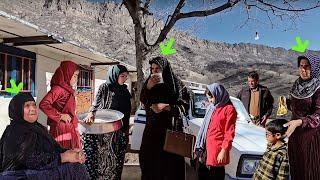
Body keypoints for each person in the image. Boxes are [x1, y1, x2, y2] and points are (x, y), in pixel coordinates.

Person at [0, 92, 89, 179]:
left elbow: (55, 149)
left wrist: (73, 154)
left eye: (34, 105)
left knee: (76, 166)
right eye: (27, 106)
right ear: (17, 110)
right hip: (18, 175)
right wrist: (62, 157)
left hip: (37, 172)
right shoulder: (15, 131)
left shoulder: (38, 129)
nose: (32, 108)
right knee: (74, 169)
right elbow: (30, 160)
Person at [139, 56, 190, 180]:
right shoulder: (149, 83)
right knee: (150, 165)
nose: (155, 72)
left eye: (158, 69)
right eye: (152, 69)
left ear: (165, 69)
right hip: (152, 132)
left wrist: (166, 107)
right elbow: (143, 100)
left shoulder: (177, 84)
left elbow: (185, 105)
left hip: (171, 132)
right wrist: (148, 88)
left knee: (170, 168)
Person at [82, 64, 131, 180]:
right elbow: (96, 103)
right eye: (122, 76)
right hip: (105, 134)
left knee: (117, 162)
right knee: (103, 162)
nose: (125, 79)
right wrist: (91, 112)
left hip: (120, 132)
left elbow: (127, 114)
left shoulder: (125, 91)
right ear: (115, 75)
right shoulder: (105, 87)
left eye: (126, 76)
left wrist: (126, 131)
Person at [284, 54, 320, 180]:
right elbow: (298, 108)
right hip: (295, 136)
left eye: (307, 66)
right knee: (296, 171)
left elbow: (318, 116)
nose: (303, 70)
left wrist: (299, 122)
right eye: (301, 66)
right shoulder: (296, 84)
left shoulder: (318, 87)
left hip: (311, 138)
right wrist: (287, 103)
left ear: (314, 67)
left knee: (310, 172)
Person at [195, 83, 237, 180]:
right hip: (205, 148)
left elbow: (229, 133)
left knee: (215, 175)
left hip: (217, 150)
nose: (210, 101)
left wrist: (223, 150)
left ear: (218, 94)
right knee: (202, 175)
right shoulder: (212, 108)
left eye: (211, 98)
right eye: (208, 99)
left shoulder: (229, 109)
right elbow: (205, 127)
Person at [39, 61, 81, 149]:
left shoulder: (68, 89)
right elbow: (43, 104)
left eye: (77, 76)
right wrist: (60, 116)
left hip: (69, 128)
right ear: (67, 74)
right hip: (61, 130)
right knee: (63, 155)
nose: (76, 79)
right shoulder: (58, 89)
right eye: (74, 76)